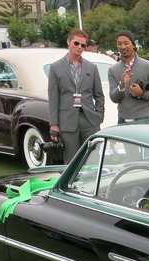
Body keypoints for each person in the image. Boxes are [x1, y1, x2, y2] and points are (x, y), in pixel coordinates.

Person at [47, 29, 104, 163]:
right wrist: (54, 124)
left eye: (83, 45)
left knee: (92, 160)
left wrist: (99, 116)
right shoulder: (55, 68)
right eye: (76, 43)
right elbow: (53, 97)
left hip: (89, 120)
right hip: (67, 120)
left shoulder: (92, 68)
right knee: (71, 161)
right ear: (68, 41)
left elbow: (99, 95)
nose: (79, 47)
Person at [108, 31, 149, 124]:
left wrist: (141, 93)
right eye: (119, 44)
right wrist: (121, 85)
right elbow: (113, 98)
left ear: (133, 45)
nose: (123, 47)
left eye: (126, 43)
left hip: (143, 118)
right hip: (122, 119)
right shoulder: (113, 69)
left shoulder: (148, 66)